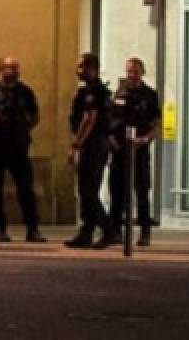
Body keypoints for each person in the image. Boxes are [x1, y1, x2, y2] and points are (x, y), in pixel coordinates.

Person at [0, 57, 46, 243]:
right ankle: (0, 229)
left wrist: (23, 127)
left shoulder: (25, 92)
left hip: (19, 147)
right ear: (1, 69)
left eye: (15, 68)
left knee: (26, 189)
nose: (12, 71)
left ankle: (32, 228)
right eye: (9, 67)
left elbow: (35, 115)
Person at [106, 56, 161, 247]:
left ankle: (144, 232)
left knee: (142, 191)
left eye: (135, 71)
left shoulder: (150, 95)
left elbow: (156, 123)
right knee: (117, 191)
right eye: (129, 71)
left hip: (140, 149)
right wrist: (111, 140)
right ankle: (115, 232)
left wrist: (146, 139)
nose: (132, 74)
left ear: (142, 72)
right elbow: (110, 120)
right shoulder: (119, 93)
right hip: (120, 149)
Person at [65, 52, 117, 248]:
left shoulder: (93, 92)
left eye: (81, 67)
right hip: (96, 144)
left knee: (88, 191)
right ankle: (86, 232)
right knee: (87, 190)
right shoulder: (94, 90)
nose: (77, 70)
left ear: (91, 68)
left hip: (93, 145)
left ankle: (108, 230)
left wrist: (76, 144)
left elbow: (89, 119)